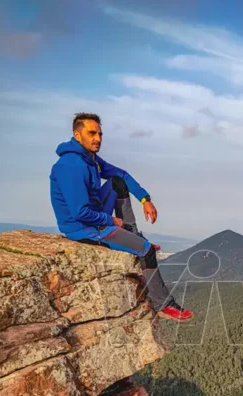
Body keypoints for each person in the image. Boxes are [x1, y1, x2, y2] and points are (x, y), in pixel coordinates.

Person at [50, 112, 194, 322]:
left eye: (100, 134)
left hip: (94, 217)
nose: (98, 138)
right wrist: (111, 221)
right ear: (77, 135)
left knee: (118, 182)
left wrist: (145, 199)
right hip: (84, 228)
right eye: (92, 133)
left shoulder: (89, 159)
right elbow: (79, 212)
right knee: (145, 251)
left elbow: (122, 175)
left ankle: (133, 235)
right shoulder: (71, 165)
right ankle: (164, 305)